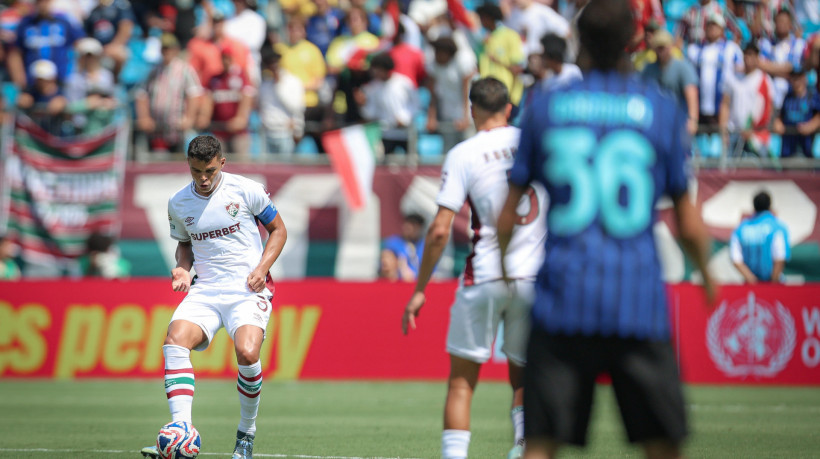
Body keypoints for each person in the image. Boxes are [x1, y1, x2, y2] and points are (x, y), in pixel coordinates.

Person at [497, 1, 717, 458]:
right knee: (663, 444)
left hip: (562, 298)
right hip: (637, 301)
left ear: (579, 44)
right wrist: (707, 276)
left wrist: (502, 264)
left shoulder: (546, 107)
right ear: (632, 45)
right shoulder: (661, 109)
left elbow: (509, 211)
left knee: (540, 444)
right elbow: (687, 218)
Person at [402, 77, 548, 459]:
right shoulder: (537, 142)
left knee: (462, 384)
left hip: (484, 275)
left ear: (471, 111)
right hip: (534, 278)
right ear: (509, 109)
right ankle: (521, 445)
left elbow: (438, 231)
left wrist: (419, 289)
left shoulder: (464, 153)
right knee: (524, 373)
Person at [140, 135, 287, 459]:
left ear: (222, 162)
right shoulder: (179, 202)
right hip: (205, 289)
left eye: (209, 171)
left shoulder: (246, 189)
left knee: (247, 353)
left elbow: (279, 230)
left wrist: (263, 268)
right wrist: (181, 268)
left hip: (247, 288)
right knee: (174, 340)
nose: (203, 179)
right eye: (196, 172)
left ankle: (246, 434)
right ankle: (181, 429)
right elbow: (185, 244)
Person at [134, 33, 203, 155]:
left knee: (181, 162)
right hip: (157, 128)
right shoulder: (154, 71)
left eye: (169, 48)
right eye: (164, 48)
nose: (167, 51)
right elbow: (141, 95)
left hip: (178, 128)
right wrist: (144, 117)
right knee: (158, 160)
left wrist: (189, 118)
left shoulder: (185, 69)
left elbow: (194, 94)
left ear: (176, 49)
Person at [197, 45, 256, 160]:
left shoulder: (240, 76)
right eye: (224, 58)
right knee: (220, 165)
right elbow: (209, 99)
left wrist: (241, 118)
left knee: (241, 166)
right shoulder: (215, 79)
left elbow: (247, 96)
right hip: (219, 131)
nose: (226, 61)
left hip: (238, 133)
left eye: (228, 58)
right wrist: (204, 116)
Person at [719, 42, 775, 157]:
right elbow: (725, 104)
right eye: (746, 54)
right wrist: (723, 130)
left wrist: (756, 129)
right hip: (734, 132)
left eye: (752, 54)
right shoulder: (733, 78)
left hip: (755, 136)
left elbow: (769, 108)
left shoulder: (764, 79)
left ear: (757, 57)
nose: (748, 58)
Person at [642, 29, 700, 135]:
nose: (661, 51)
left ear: (670, 47)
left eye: (663, 47)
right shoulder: (648, 69)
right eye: (658, 48)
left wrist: (692, 120)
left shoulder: (683, 67)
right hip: (655, 120)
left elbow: (691, 93)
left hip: (677, 120)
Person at [730, 191, 790, 283]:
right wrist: (773, 283)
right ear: (770, 205)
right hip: (774, 285)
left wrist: (751, 280)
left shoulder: (741, 229)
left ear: (754, 206)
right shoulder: (777, 227)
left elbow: (736, 258)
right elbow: (780, 257)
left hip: (750, 286)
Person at [773, 69, 820, 157]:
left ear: (804, 78)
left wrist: (811, 125)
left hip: (806, 146)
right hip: (788, 146)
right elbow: (781, 115)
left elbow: (818, 116)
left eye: (799, 77)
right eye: (794, 78)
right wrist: (778, 123)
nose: (796, 81)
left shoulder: (813, 96)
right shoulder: (788, 97)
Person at [381, 213, 426, 282]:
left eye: (414, 225)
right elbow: (386, 268)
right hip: (399, 283)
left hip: (419, 284)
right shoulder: (393, 243)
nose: (410, 227)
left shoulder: (425, 245)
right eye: (408, 223)